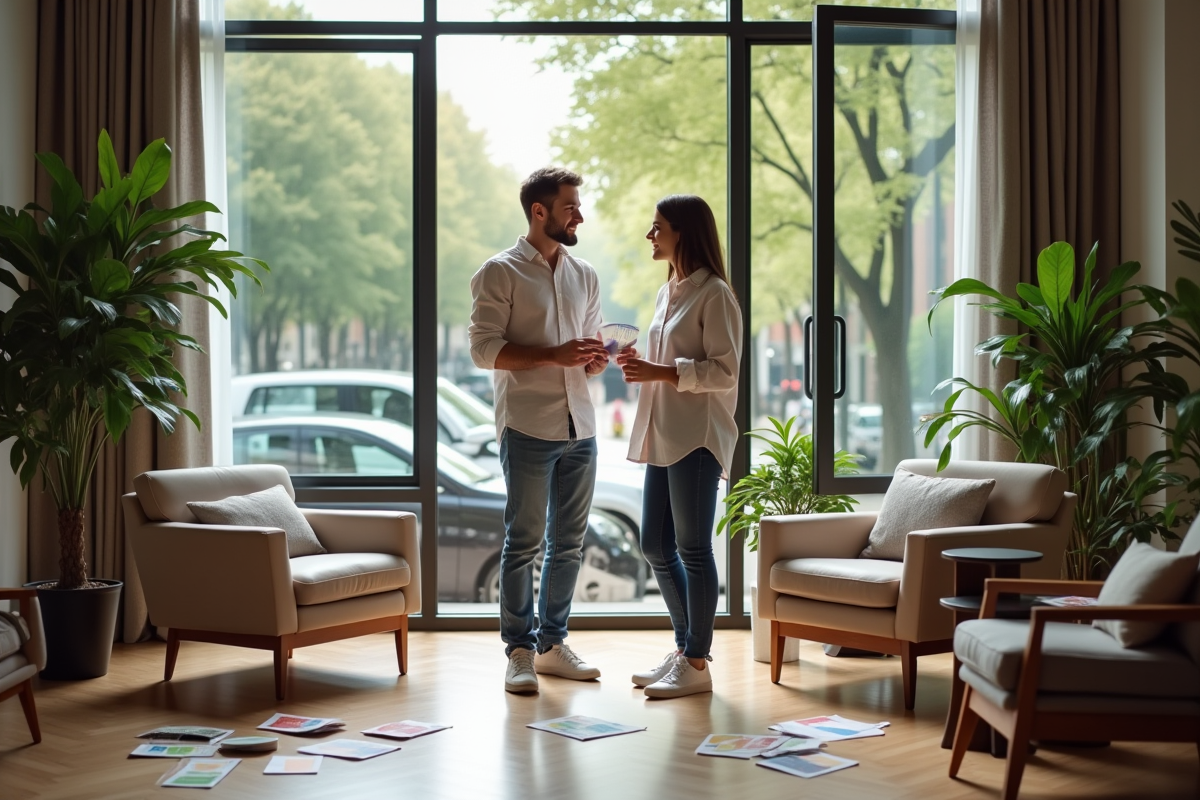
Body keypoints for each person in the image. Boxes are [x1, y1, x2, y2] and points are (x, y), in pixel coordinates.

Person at [468, 167, 610, 694]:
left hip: (582, 426)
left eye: (578, 205)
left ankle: (552, 645)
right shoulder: (498, 273)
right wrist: (555, 355)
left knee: (569, 544)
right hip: (528, 426)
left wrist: (595, 361)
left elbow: (587, 350)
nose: (580, 214)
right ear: (539, 211)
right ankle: (519, 651)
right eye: (571, 205)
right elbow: (484, 350)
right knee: (523, 542)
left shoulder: (585, 274)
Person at [617, 194, 742, 699]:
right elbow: (667, 361)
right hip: (664, 435)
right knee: (654, 544)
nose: (651, 236)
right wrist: (638, 363)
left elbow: (725, 370)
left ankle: (696, 660)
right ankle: (686, 647)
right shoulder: (668, 291)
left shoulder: (715, 294)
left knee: (691, 549)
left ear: (684, 233)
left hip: (697, 437)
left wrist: (660, 370)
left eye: (658, 228)